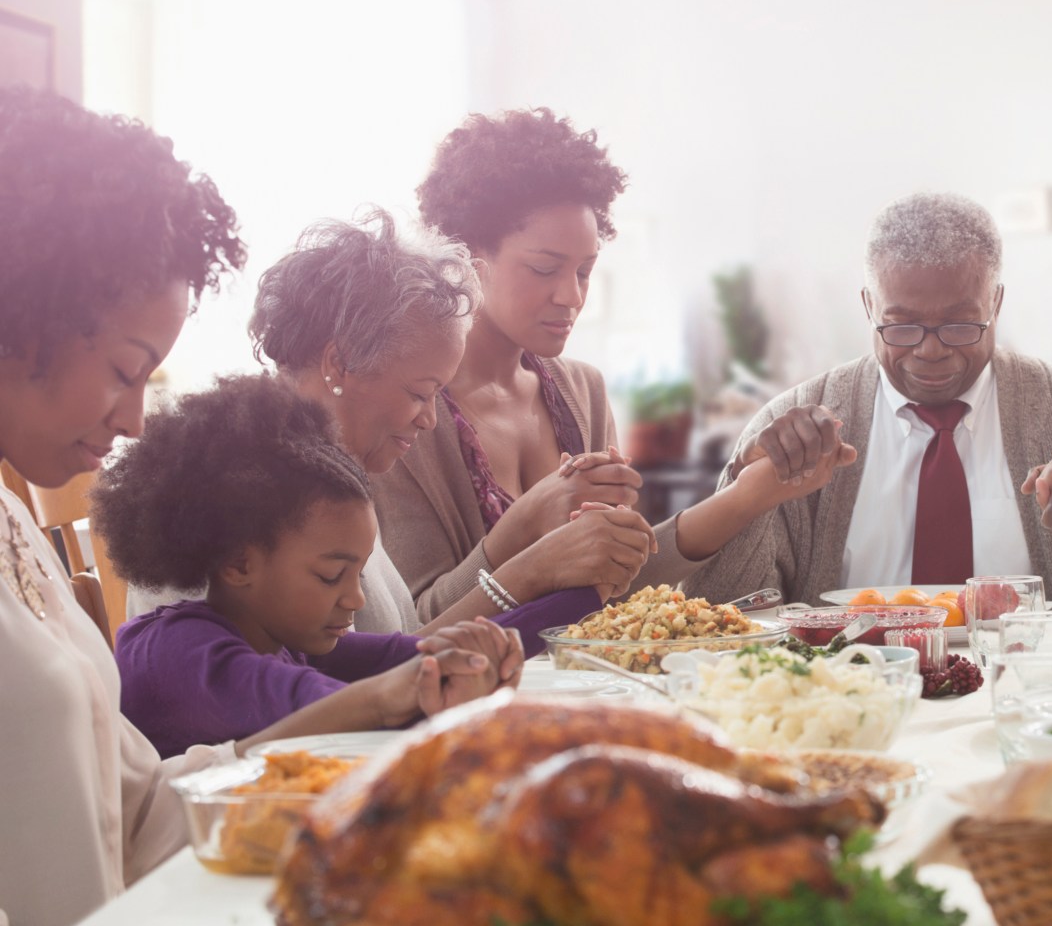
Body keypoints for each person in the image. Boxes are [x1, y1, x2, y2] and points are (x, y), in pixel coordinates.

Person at [0, 88, 479, 926]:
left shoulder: (13, 531)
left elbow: (140, 811)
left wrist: (365, 713)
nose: (133, 418)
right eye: (124, 369)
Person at [374, 108, 847, 618]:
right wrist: (522, 528)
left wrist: (746, 497)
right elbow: (412, 629)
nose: (571, 296)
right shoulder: (408, 409)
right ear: (466, 255)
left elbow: (620, 581)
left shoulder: (581, 391)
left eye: (584, 270)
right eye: (544, 268)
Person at [683, 192, 1052, 605]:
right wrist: (745, 492)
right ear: (869, 305)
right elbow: (727, 615)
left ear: (996, 303)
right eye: (902, 325)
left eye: (959, 325)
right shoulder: (787, 435)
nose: (930, 350)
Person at [241, 209, 642, 635]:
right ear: (338, 364)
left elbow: (389, 658)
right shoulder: (275, 502)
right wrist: (528, 569)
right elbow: (372, 676)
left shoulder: (337, 479)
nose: (432, 419)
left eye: (584, 271)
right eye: (418, 393)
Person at [95, 376, 529, 757]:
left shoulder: (282, 634)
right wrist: (434, 681)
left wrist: (486, 647)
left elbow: (402, 655)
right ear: (238, 564)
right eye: (329, 576)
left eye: (358, 575)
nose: (356, 599)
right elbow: (313, 701)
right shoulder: (176, 654)